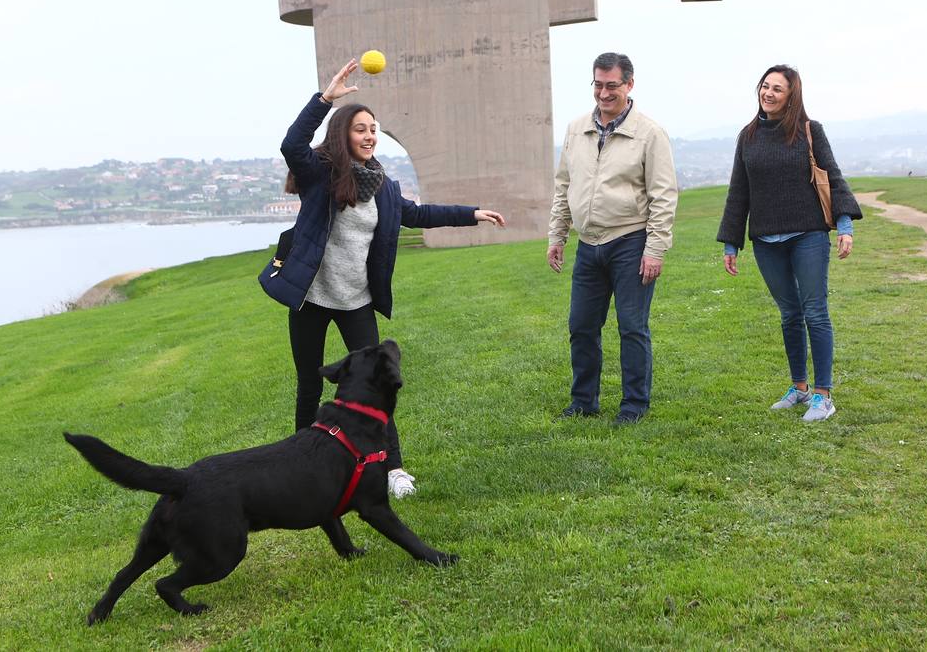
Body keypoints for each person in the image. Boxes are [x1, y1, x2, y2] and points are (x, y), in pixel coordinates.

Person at [260, 58, 506, 495]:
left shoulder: (385, 189)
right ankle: (302, 463)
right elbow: (292, 144)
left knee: (377, 383)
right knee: (309, 381)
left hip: (356, 301)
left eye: (373, 128)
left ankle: (393, 469)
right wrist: (325, 99)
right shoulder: (321, 176)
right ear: (344, 136)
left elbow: (419, 213)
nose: (370, 135)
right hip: (312, 298)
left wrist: (472, 214)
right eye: (360, 129)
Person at [716, 65, 863, 422]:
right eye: (764, 87)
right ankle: (799, 387)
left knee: (815, 310)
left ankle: (822, 395)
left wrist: (845, 225)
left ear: (791, 96)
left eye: (777, 89)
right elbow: (740, 191)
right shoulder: (747, 136)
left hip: (808, 234)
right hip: (766, 239)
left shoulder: (810, 132)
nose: (768, 94)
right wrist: (731, 243)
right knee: (789, 314)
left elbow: (833, 175)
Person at [547, 53, 678, 425]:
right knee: (581, 326)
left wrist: (655, 249)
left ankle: (634, 405)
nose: (604, 93)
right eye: (598, 85)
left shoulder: (650, 133)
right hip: (589, 245)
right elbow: (564, 186)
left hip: (630, 242)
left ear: (629, 85)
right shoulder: (576, 130)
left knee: (632, 327)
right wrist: (557, 235)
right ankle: (583, 402)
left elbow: (664, 195)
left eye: (612, 86)